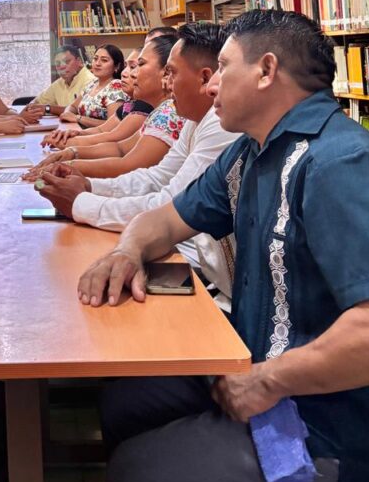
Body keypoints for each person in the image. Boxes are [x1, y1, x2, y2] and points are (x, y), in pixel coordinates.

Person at [77, 10, 369, 482]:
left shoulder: (340, 164)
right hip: (252, 363)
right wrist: (127, 251)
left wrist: (269, 381)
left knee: (140, 477)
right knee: (126, 404)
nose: (211, 85)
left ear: (266, 70)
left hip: (330, 420)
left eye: (224, 68)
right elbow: (165, 219)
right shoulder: (251, 153)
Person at [37, 23, 237, 298]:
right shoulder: (195, 118)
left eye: (171, 72)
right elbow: (156, 177)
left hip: (214, 279)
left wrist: (82, 201)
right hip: (202, 263)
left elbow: (167, 202)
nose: (166, 83)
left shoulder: (218, 123)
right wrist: (89, 186)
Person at [40, 33, 180, 157]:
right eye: (95, 59)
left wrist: (72, 149)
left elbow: (118, 146)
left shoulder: (162, 112)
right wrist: (74, 137)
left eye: (137, 65)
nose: (128, 73)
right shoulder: (134, 103)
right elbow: (111, 138)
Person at [59, 44, 128, 128]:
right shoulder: (92, 84)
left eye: (104, 60)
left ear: (117, 66)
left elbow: (112, 125)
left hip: (99, 135)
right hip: (79, 131)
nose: (97, 63)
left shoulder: (116, 86)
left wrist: (78, 118)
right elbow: (73, 106)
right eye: (95, 59)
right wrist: (67, 113)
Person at [29, 44, 94, 116]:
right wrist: (32, 106)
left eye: (67, 61)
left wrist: (48, 108)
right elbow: (37, 102)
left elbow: (78, 110)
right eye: (58, 64)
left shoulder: (91, 81)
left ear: (79, 61)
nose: (62, 67)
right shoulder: (59, 83)